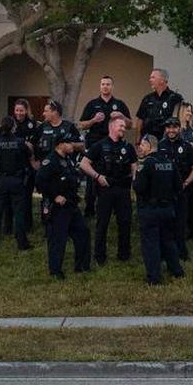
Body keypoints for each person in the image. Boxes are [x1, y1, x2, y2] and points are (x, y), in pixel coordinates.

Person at [79, 115, 138, 265]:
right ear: (111, 127)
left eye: (124, 126)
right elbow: (84, 164)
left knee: (125, 222)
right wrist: (97, 176)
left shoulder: (128, 147)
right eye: (120, 126)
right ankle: (100, 256)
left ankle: (124, 254)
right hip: (105, 189)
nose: (123, 129)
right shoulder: (99, 146)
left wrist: (133, 182)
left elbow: (134, 165)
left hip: (123, 189)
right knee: (102, 223)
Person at [34, 128, 90, 279]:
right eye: (69, 142)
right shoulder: (50, 161)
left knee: (83, 232)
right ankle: (55, 271)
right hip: (58, 207)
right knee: (58, 239)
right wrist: (54, 196)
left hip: (71, 204)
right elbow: (39, 182)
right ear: (60, 145)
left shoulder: (68, 159)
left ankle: (82, 266)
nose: (73, 145)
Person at [133, 134, 186, 284]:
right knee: (168, 241)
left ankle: (154, 277)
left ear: (149, 146)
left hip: (150, 210)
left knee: (151, 244)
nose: (140, 148)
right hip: (168, 209)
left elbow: (138, 187)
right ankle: (177, 271)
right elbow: (178, 186)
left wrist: (136, 174)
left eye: (142, 145)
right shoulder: (169, 162)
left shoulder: (147, 164)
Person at [78, 75, 131, 219]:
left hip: (115, 144)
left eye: (108, 84)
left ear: (112, 86)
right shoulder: (92, 104)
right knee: (92, 177)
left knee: (115, 174)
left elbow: (131, 125)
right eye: (103, 84)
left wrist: (121, 116)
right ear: (100, 86)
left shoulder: (119, 104)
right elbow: (81, 124)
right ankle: (90, 209)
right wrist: (93, 120)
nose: (105, 86)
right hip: (96, 143)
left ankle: (115, 207)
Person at [0, 118, 33, 251]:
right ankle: (22, 243)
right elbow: (29, 156)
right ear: (13, 128)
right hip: (17, 180)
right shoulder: (20, 142)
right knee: (19, 213)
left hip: (1, 181)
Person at [162, 117, 193, 260]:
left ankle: (182, 253)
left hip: (182, 191)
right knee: (166, 223)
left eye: (174, 127)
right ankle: (166, 252)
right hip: (165, 192)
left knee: (180, 222)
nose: (171, 130)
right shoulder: (160, 146)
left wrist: (185, 183)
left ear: (179, 128)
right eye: (168, 127)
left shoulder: (187, 146)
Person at [4, 99, 41, 232]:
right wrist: (24, 143)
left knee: (26, 197)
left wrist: (34, 159)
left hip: (28, 164)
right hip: (12, 165)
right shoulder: (9, 123)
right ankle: (8, 227)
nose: (19, 113)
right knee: (9, 199)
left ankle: (27, 226)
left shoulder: (32, 124)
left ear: (26, 110)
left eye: (21, 110)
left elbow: (34, 145)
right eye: (17, 110)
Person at [135, 68, 183, 143]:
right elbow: (140, 119)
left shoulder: (175, 98)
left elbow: (180, 119)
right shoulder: (147, 99)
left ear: (162, 80)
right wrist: (138, 140)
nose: (150, 80)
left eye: (153, 77)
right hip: (148, 141)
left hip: (166, 141)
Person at [178, 102, 193, 240]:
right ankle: (182, 231)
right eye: (187, 111)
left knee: (192, 203)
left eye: (190, 111)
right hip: (180, 171)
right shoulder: (175, 129)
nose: (189, 113)